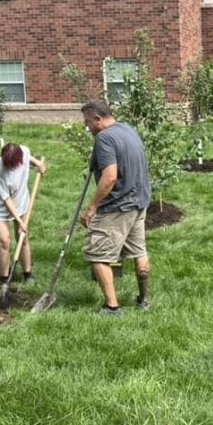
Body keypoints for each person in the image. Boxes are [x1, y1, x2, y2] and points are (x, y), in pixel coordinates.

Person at [80, 100, 152, 315]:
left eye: (87, 123)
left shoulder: (104, 138)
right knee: (139, 251)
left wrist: (92, 207)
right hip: (140, 202)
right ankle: (143, 301)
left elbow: (109, 177)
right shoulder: (129, 130)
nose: (87, 128)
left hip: (118, 206)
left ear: (97, 119)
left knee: (98, 255)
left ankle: (112, 307)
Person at [0, 143, 46, 286]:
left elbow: (28, 155)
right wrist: (20, 220)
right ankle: (4, 279)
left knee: (22, 237)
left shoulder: (24, 151)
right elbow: (5, 197)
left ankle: (27, 274)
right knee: (4, 240)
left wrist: (38, 163)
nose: (11, 167)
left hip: (21, 199)